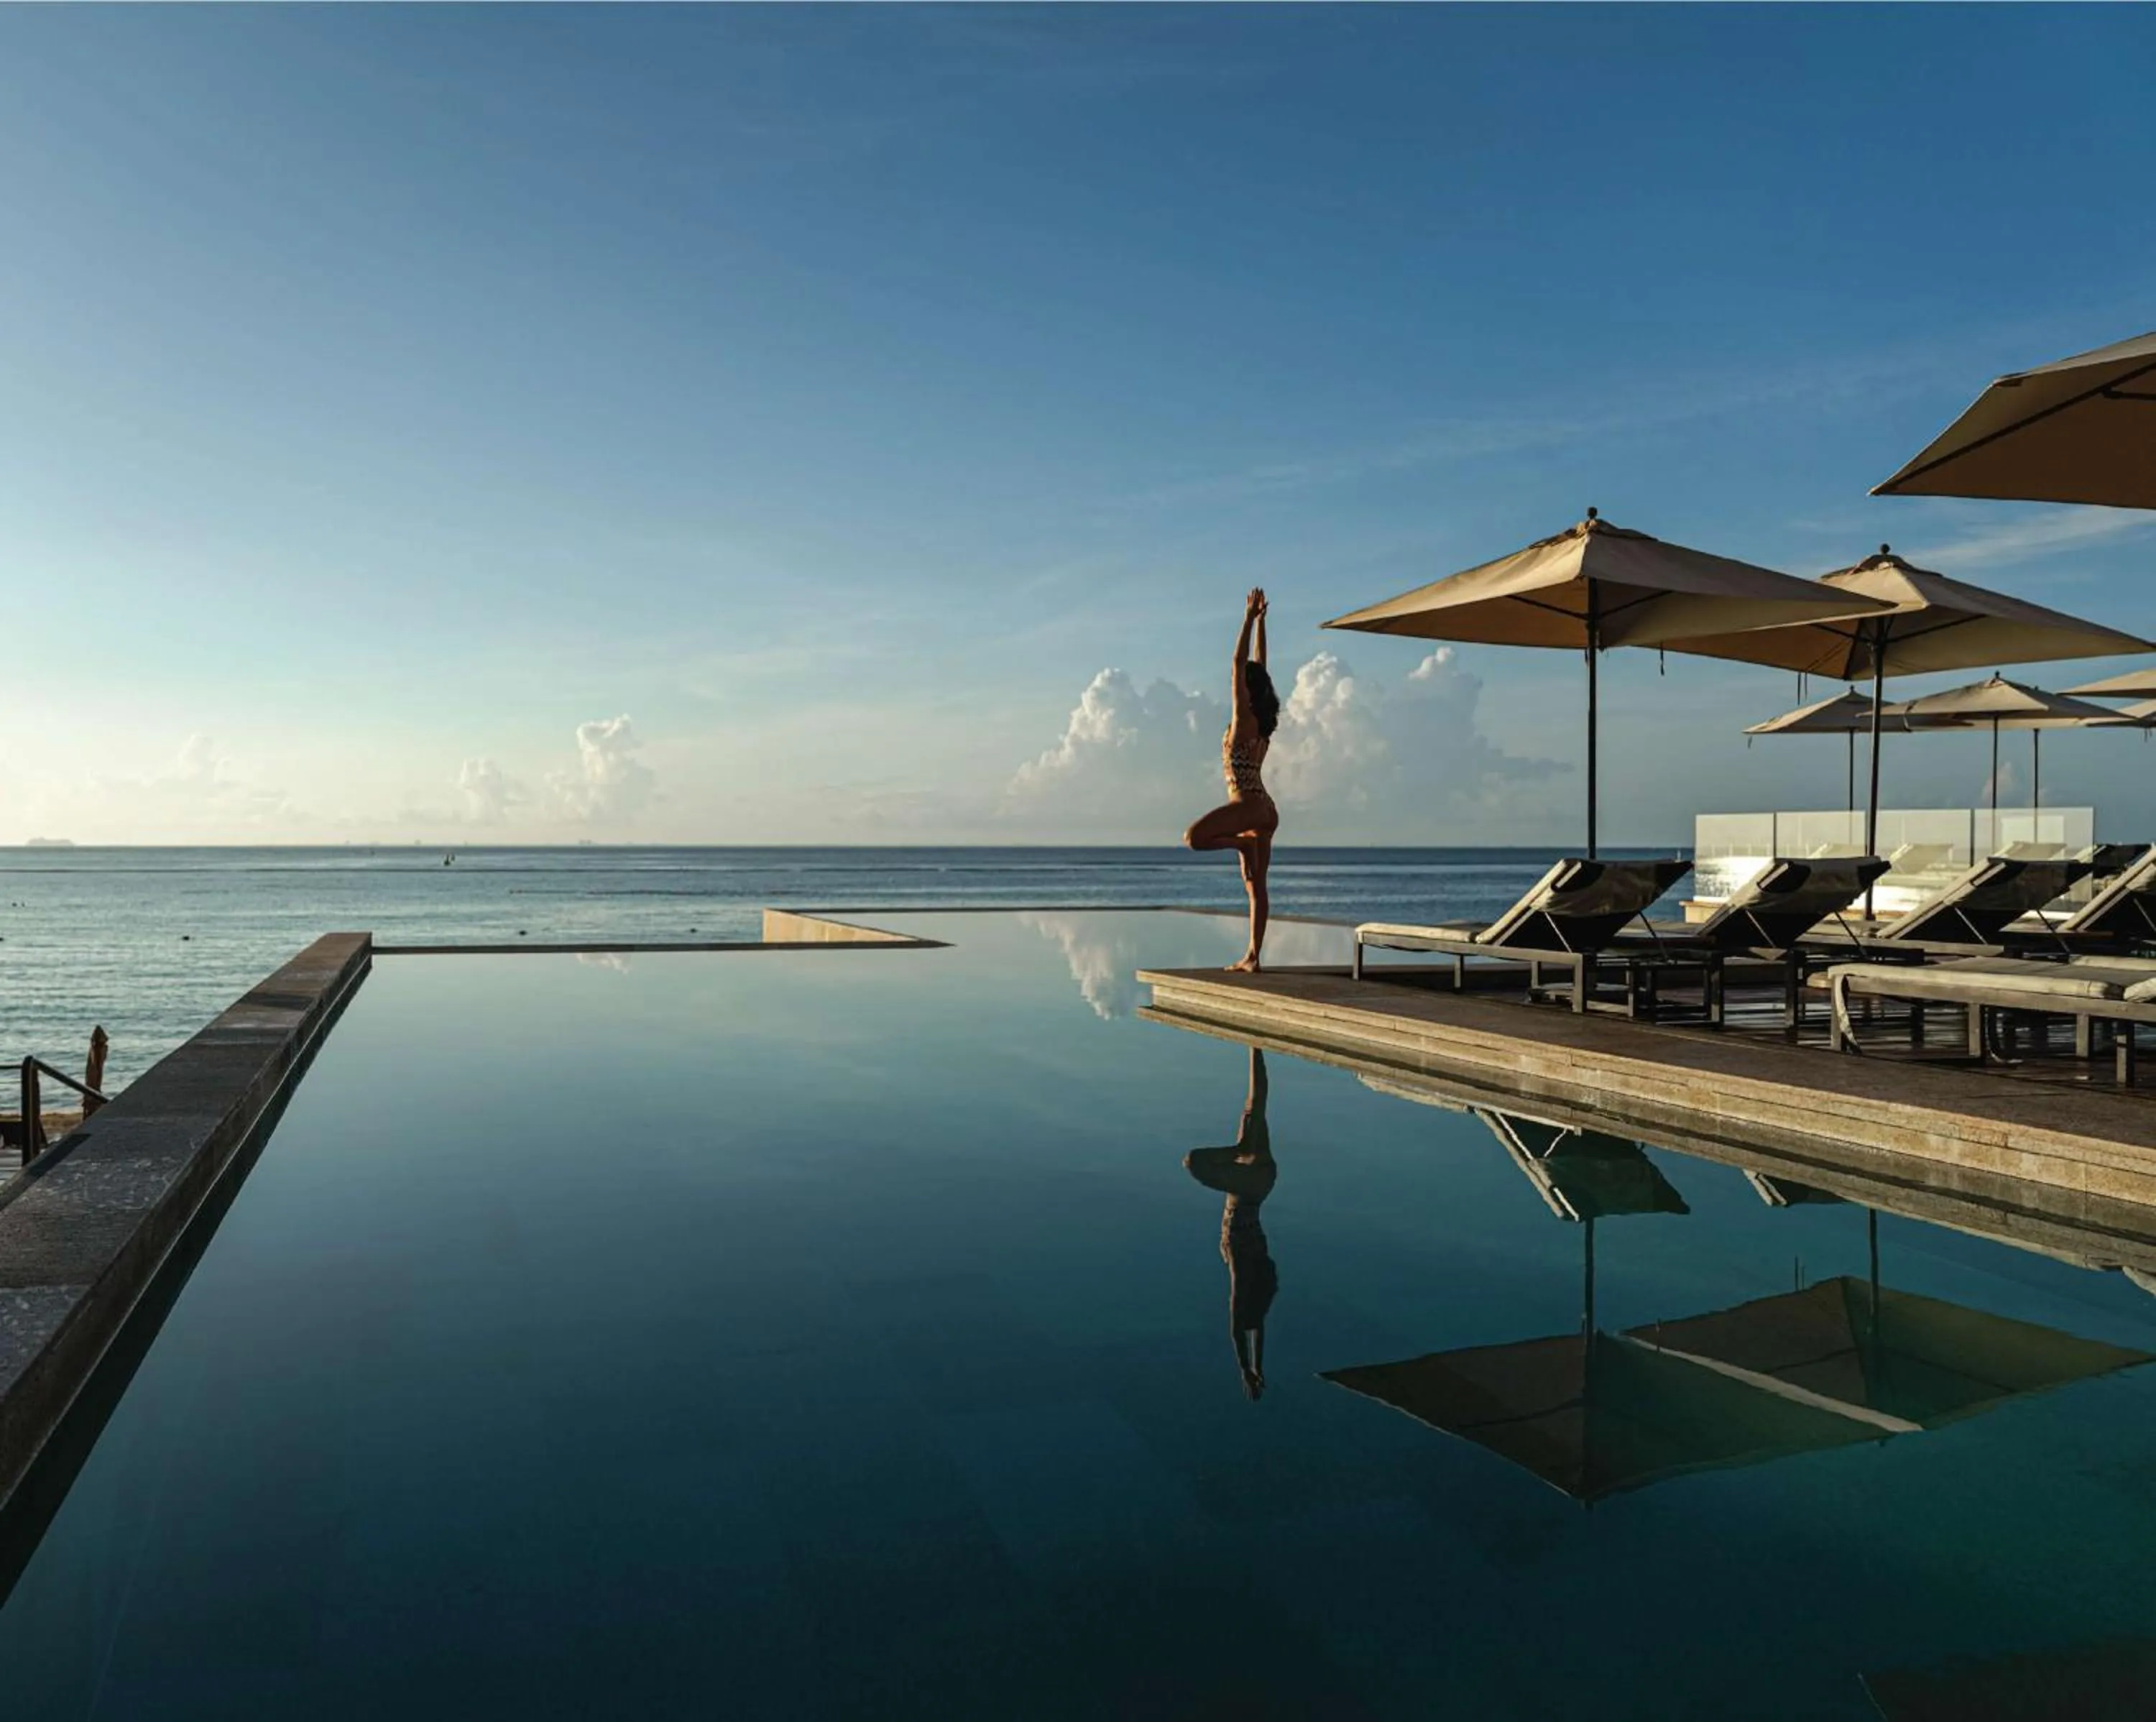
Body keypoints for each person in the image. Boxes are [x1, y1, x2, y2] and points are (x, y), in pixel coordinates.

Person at [1183, 587, 1279, 972]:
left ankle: (1241, 844)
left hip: (1247, 806)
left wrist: (1248, 619)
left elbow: (1239, 662)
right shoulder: (1263, 725)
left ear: (1245, 690)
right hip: (1266, 809)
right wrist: (1263, 625)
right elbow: (1259, 665)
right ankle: (1253, 956)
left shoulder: (1243, 720)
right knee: (1256, 886)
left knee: (1194, 838)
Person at [1183, 1046, 1279, 1402]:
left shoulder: (1260, 1287)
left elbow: (1255, 1325)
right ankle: (1255, 1048)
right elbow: (1238, 1323)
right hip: (1246, 1193)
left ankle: (1256, 1047)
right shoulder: (1240, 1261)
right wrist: (1244, 1366)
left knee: (1255, 1108)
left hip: (1260, 1184)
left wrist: (1256, 1365)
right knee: (1193, 1162)